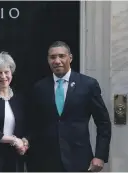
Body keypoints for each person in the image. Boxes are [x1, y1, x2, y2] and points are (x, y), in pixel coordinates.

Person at [27, 41, 111, 172]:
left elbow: (103, 123)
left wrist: (100, 156)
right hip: (46, 161)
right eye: (53, 57)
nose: (57, 61)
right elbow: (34, 123)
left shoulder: (88, 85)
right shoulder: (40, 87)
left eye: (61, 56)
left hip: (79, 159)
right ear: (48, 60)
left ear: (70, 58)